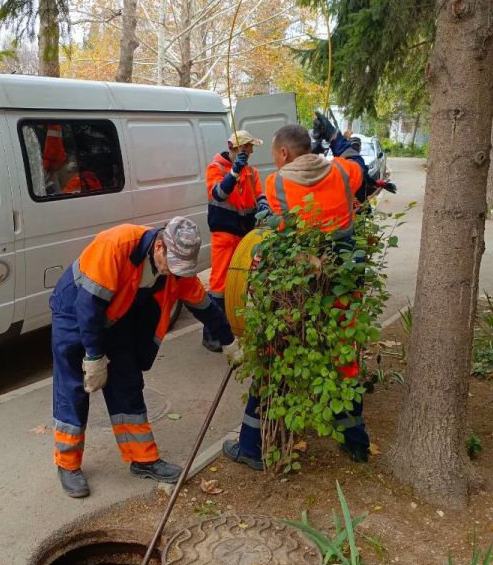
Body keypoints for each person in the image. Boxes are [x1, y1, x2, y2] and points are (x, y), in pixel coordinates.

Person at [49, 216, 243, 498]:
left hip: (115, 318)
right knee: (73, 387)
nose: (172, 274)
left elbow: (204, 306)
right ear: (160, 246)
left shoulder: (175, 269)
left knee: (127, 383)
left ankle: (143, 459)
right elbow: (87, 308)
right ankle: (67, 464)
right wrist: (94, 357)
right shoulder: (117, 245)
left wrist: (228, 340)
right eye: (171, 265)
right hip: (72, 311)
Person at [223, 122, 373, 471]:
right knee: (344, 359)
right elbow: (360, 166)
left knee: (275, 357)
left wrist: (266, 220)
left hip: (297, 289)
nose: (274, 161)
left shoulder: (276, 183)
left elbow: (280, 230)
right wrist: (335, 139)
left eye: (275, 154)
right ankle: (355, 444)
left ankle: (253, 448)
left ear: (285, 153)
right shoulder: (340, 171)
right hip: (343, 284)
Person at [202, 130, 271, 352]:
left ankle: (232, 327)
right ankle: (211, 334)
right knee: (220, 285)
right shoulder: (216, 169)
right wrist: (233, 172)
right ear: (238, 148)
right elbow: (219, 194)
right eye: (249, 147)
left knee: (242, 280)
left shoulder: (251, 171)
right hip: (224, 233)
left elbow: (258, 193)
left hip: (244, 233)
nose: (251, 151)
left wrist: (263, 204)